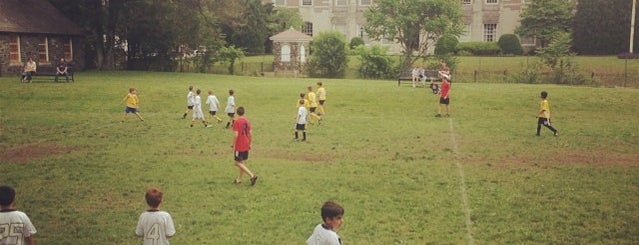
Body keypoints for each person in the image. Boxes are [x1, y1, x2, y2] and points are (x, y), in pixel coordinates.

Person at [231, 106, 258, 185]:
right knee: (241, 162)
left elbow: (236, 134)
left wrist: (233, 144)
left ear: (237, 113)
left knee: (237, 162)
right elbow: (250, 133)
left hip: (239, 145)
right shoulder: (247, 121)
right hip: (246, 143)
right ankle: (239, 179)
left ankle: (252, 175)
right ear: (244, 112)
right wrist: (250, 143)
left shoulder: (236, 122)